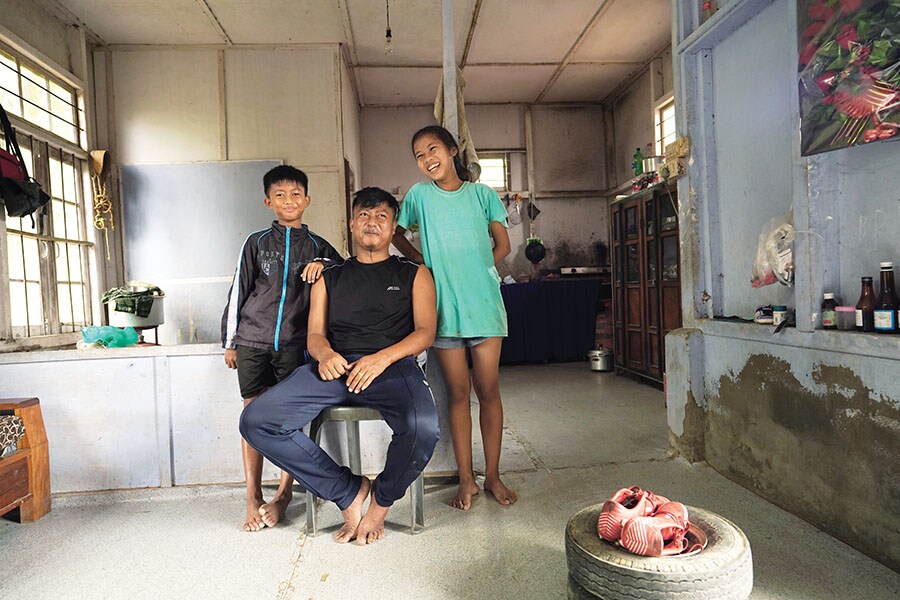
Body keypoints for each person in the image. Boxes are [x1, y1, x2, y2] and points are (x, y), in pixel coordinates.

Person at [240, 187, 439, 545]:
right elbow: (315, 334)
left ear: (394, 228)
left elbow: (426, 332)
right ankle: (348, 491)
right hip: (337, 368)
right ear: (351, 223)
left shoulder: (414, 273)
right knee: (256, 421)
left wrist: (382, 358)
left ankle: (379, 504)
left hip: (392, 366)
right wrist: (326, 355)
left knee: (423, 427)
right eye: (364, 215)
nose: (372, 223)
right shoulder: (330, 275)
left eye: (381, 217)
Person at [392, 125, 517, 511]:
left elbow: (504, 244)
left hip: (483, 305)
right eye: (419, 155)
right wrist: (421, 267)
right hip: (442, 310)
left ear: (451, 150)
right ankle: (467, 479)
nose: (427, 159)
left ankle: (492, 475)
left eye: (433, 149)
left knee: (489, 390)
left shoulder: (482, 195)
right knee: (458, 395)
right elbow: (396, 233)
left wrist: (478, 270)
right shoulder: (418, 197)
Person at [222, 165, 342, 532]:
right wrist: (230, 342)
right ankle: (252, 496)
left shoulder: (318, 246)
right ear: (267, 201)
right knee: (252, 419)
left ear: (306, 200)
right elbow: (239, 290)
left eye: (295, 195)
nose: (288, 201)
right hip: (251, 341)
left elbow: (346, 274)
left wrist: (324, 265)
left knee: (286, 421)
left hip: (293, 345)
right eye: (279, 195)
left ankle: (284, 495)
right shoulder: (256, 242)